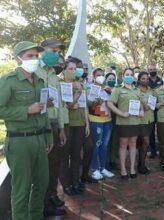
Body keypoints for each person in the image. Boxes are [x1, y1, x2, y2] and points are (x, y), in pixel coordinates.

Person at [0, 41, 53, 220]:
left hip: (39, 139)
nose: (34, 59)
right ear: (18, 59)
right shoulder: (9, 81)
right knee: (21, 189)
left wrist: (48, 136)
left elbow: (42, 111)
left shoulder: (38, 80)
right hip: (19, 141)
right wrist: (26, 110)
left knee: (41, 183)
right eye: (30, 56)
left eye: (36, 56)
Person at [36, 38, 68, 217]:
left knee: (54, 164)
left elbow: (60, 104)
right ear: (43, 51)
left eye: (58, 52)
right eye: (53, 51)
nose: (56, 54)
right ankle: (42, 202)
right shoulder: (34, 72)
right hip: (40, 125)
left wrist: (62, 128)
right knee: (43, 166)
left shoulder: (54, 76)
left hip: (55, 124)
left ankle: (52, 195)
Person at [108, 69, 143, 179]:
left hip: (135, 121)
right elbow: (110, 103)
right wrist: (121, 113)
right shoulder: (118, 89)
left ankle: (132, 168)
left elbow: (140, 103)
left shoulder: (137, 90)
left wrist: (141, 111)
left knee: (133, 144)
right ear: (123, 76)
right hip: (123, 122)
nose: (129, 76)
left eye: (131, 75)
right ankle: (123, 169)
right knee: (123, 145)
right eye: (127, 74)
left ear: (134, 77)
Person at [61, 58, 90, 195]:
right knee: (65, 155)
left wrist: (87, 123)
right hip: (67, 124)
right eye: (70, 69)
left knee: (76, 154)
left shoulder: (80, 84)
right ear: (64, 70)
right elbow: (65, 106)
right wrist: (75, 95)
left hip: (79, 123)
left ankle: (75, 181)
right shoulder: (60, 84)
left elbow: (83, 106)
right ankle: (66, 185)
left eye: (75, 69)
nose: (73, 71)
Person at [88, 68, 115, 180]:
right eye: (98, 75)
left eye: (102, 74)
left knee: (104, 145)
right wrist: (95, 102)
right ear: (93, 77)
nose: (101, 77)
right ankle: (94, 169)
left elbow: (112, 104)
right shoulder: (90, 89)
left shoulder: (106, 90)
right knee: (96, 145)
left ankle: (102, 168)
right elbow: (89, 105)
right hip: (95, 121)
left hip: (107, 121)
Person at [137, 71, 154, 175]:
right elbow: (134, 104)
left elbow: (153, 103)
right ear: (139, 80)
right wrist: (143, 107)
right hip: (140, 121)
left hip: (150, 120)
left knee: (144, 144)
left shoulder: (151, 91)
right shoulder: (136, 91)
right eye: (143, 79)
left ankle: (141, 164)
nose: (145, 80)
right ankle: (141, 166)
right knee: (145, 142)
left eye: (147, 79)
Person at [147, 64, 162, 158]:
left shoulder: (161, 80)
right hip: (149, 109)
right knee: (151, 132)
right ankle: (152, 151)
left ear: (157, 70)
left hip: (160, 108)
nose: (152, 70)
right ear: (148, 71)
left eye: (154, 69)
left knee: (161, 131)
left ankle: (162, 150)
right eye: (150, 69)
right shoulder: (145, 80)